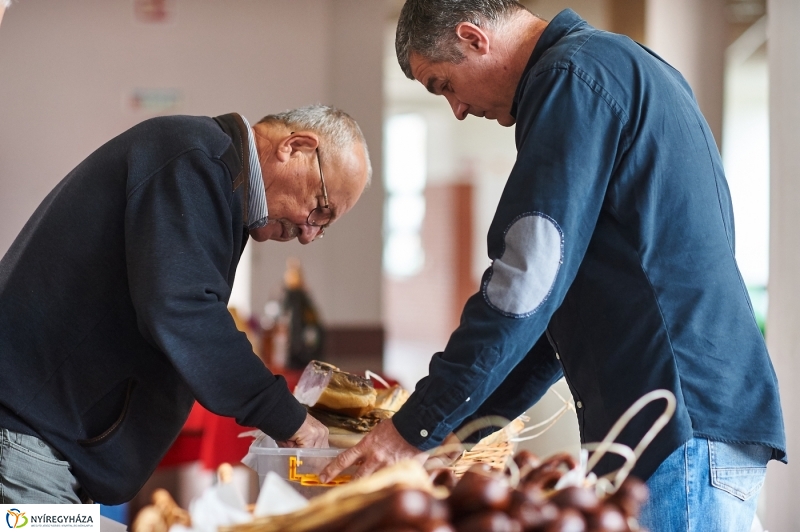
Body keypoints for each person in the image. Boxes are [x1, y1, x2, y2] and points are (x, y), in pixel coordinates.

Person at [320, 2, 786, 531]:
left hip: (675, 426)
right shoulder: (619, 66)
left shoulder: (571, 78)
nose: (456, 108)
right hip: (690, 423)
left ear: (474, 38)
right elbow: (548, 315)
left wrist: (414, 430)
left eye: (443, 84)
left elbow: (524, 284)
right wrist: (448, 438)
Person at [0, 105, 371, 504]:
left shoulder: (213, 172)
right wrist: (284, 414)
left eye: (323, 228)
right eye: (320, 207)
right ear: (295, 147)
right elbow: (184, 309)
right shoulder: (195, 159)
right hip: (29, 445)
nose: (307, 232)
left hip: (46, 448)